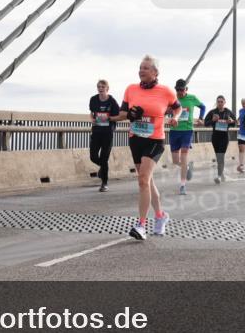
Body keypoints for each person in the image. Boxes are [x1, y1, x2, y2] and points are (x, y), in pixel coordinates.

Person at [113, 55, 181, 240]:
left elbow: (177, 107)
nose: (141, 70)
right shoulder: (131, 89)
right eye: (140, 67)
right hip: (136, 139)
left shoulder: (166, 91)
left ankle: (141, 225)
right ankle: (161, 216)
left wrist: (175, 118)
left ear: (155, 72)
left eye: (146, 68)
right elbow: (123, 113)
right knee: (147, 181)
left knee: (143, 180)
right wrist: (130, 115)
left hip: (154, 140)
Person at [171, 79, 205, 195]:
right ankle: (188, 168)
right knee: (176, 161)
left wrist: (201, 118)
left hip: (187, 130)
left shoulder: (192, 98)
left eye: (181, 90)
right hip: (174, 131)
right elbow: (164, 110)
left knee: (184, 155)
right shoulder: (172, 99)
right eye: (177, 90)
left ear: (186, 89)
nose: (179, 92)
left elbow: (203, 107)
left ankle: (182, 185)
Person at [88, 79, 120, 192]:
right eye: (99, 87)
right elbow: (91, 114)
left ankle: (104, 183)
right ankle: (103, 168)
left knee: (104, 158)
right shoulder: (93, 100)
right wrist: (92, 119)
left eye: (102, 87)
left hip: (107, 133)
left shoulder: (112, 101)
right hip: (96, 132)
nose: (100, 89)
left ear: (107, 89)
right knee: (93, 156)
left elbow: (119, 116)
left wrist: (109, 118)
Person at [204, 95, 236, 184]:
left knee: (221, 156)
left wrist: (231, 121)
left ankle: (218, 176)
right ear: (216, 103)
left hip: (224, 137)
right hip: (215, 137)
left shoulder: (228, 112)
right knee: (218, 157)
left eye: (222, 102)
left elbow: (235, 123)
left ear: (224, 103)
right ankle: (221, 174)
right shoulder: (212, 112)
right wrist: (213, 120)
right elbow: (205, 123)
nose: (220, 103)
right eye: (218, 102)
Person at [236, 98, 245, 174]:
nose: (244, 105)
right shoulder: (240, 110)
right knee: (241, 150)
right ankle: (241, 165)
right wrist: (237, 120)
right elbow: (240, 118)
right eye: (243, 103)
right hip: (242, 133)